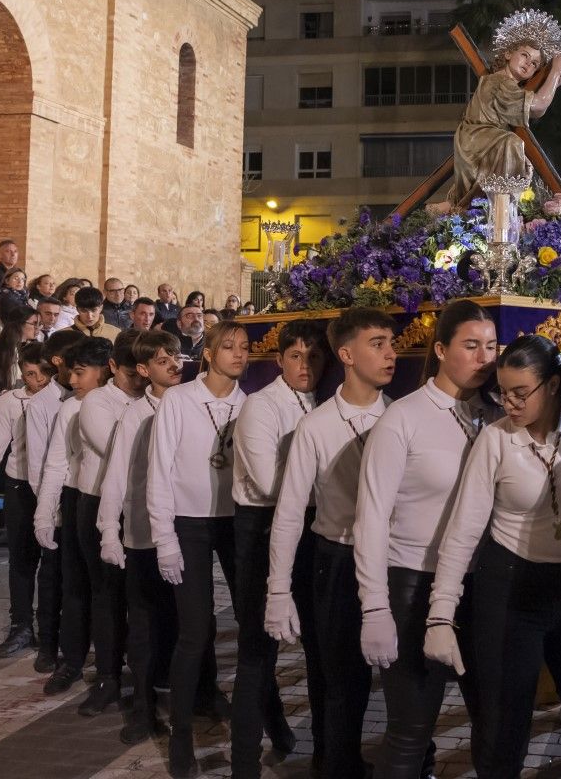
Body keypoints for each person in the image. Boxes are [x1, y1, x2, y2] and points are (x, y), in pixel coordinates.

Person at [424, 335, 561, 779]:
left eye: (522, 393)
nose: (510, 403)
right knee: (504, 723)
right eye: (503, 392)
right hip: (509, 588)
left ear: (554, 385)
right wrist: (441, 614)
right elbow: (463, 530)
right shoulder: (496, 441)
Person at [354, 298, 499, 779]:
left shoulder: (498, 416)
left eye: (492, 346)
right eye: (471, 346)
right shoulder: (403, 419)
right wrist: (375, 606)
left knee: (495, 725)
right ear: (440, 349)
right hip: (413, 585)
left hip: (483, 586)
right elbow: (371, 518)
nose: (484, 358)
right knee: (410, 731)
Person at [267, 312, 392, 779]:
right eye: (377, 344)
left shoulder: (399, 416)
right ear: (346, 355)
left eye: (391, 343)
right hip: (336, 560)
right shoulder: (317, 426)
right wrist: (278, 590)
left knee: (398, 677)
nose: (391, 353)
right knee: (340, 680)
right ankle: (335, 764)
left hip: (389, 560)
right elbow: (289, 513)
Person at [229, 318, 332, 779]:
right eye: (296, 356)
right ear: (279, 360)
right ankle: (244, 763)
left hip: (315, 528)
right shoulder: (260, 406)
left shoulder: (325, 402)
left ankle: (329, 755)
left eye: (313, 356)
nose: (305, 365)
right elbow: (270, 482)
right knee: (258, 650)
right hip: (262, 529)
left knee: (321, 648)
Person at [147, 319, 251, 778]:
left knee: (251, 623)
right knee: (194, 630)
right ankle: (181, 736)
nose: (238, 355)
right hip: (187, 525)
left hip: (235, 524)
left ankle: (258, 716)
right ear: (208, 353)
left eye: (245, 348)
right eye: (228, 347)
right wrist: (164, 537)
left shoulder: (250, 405)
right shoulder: (180, 400)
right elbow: (160, 469)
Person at [99, 329, 184, 745]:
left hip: (184, 532)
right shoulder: (135, 414)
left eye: (177, 357)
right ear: (144, 369)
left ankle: (195, 693)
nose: (174, 365)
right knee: (145, 623)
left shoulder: (191, 404)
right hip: (143, 533)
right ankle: (143, 707)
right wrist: (108, 531)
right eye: (164, 360)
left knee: (188, 619)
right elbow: (116, 475)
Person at [63, 331, 144, 717]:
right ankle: (107, 677)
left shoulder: (154, 399)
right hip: (98, 502)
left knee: (145, 596)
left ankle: (149, 674)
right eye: (132, 370)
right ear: (114, 367)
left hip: (145, 504)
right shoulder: (96, 401)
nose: (140, 377)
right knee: (106, 595)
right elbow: (119, 451)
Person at [0, 343, 62, 657]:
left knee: (54, 561)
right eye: (30, 374)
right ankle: (21, 626)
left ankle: (53, 629)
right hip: (20, 486)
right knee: (22, 559)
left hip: (56, 486)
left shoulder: (64, 398)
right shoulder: (10, 401)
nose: (37, 381)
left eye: (42, 374)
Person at [33, 338, 108, 695]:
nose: (73, 381)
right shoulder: (70, 408)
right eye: (71, 373)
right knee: (76, 585)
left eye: (80, 373)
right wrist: (45, 515)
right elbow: (56, 464)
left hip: (116, 501)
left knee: (113, 590)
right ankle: (71, 661)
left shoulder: (127, 403)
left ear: (105, 370)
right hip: (79, 499)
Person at [444, 8, 561, 207]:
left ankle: (501, 209)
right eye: (524, 55)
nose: (529, 64)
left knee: (514, 150)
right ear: (508, 53)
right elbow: (537, 106)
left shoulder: (507, 85)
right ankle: (500, 207)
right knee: (511, 143)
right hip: (477, 143)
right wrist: (554, 72)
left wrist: (554, 83)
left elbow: (537, 109)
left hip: (481, 142)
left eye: (535, 64)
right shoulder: (499, 82)